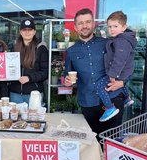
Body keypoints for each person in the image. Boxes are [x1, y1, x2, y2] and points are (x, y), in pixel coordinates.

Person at [64, 8, 125, 136]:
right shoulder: (71, 51)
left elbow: (125, 63)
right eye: (80, 23)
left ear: (93, 24)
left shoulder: (108, 43)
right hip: (88, 103)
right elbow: (67, 75)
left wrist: (123, 82)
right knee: (92, 141)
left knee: (112, 142)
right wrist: (67, 81)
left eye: (88, 22)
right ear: (75, 27)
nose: (84, 26)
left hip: (112, 98)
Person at [96, 11, 137, 122]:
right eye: (109, 26)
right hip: (123, 72)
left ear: (124, 27)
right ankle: (127, 99)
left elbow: (119, 60)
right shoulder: (121, 39)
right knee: (122, 83)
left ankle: (110, 108)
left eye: (115, 26)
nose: (112, 29)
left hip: (119, 72)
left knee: (99, 86)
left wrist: (112, 75)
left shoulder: (121, 41)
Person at [9, 19, 49, 105]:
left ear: (34, 32)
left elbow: (45, 73)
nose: (27, 32)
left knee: (34, 118)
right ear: (20, 32)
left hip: (34, 94)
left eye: (30, 30)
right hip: (15, 93)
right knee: (16, 118)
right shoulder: (14, 47)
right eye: (24, 30)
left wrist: (29, 78)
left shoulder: (41, 48)